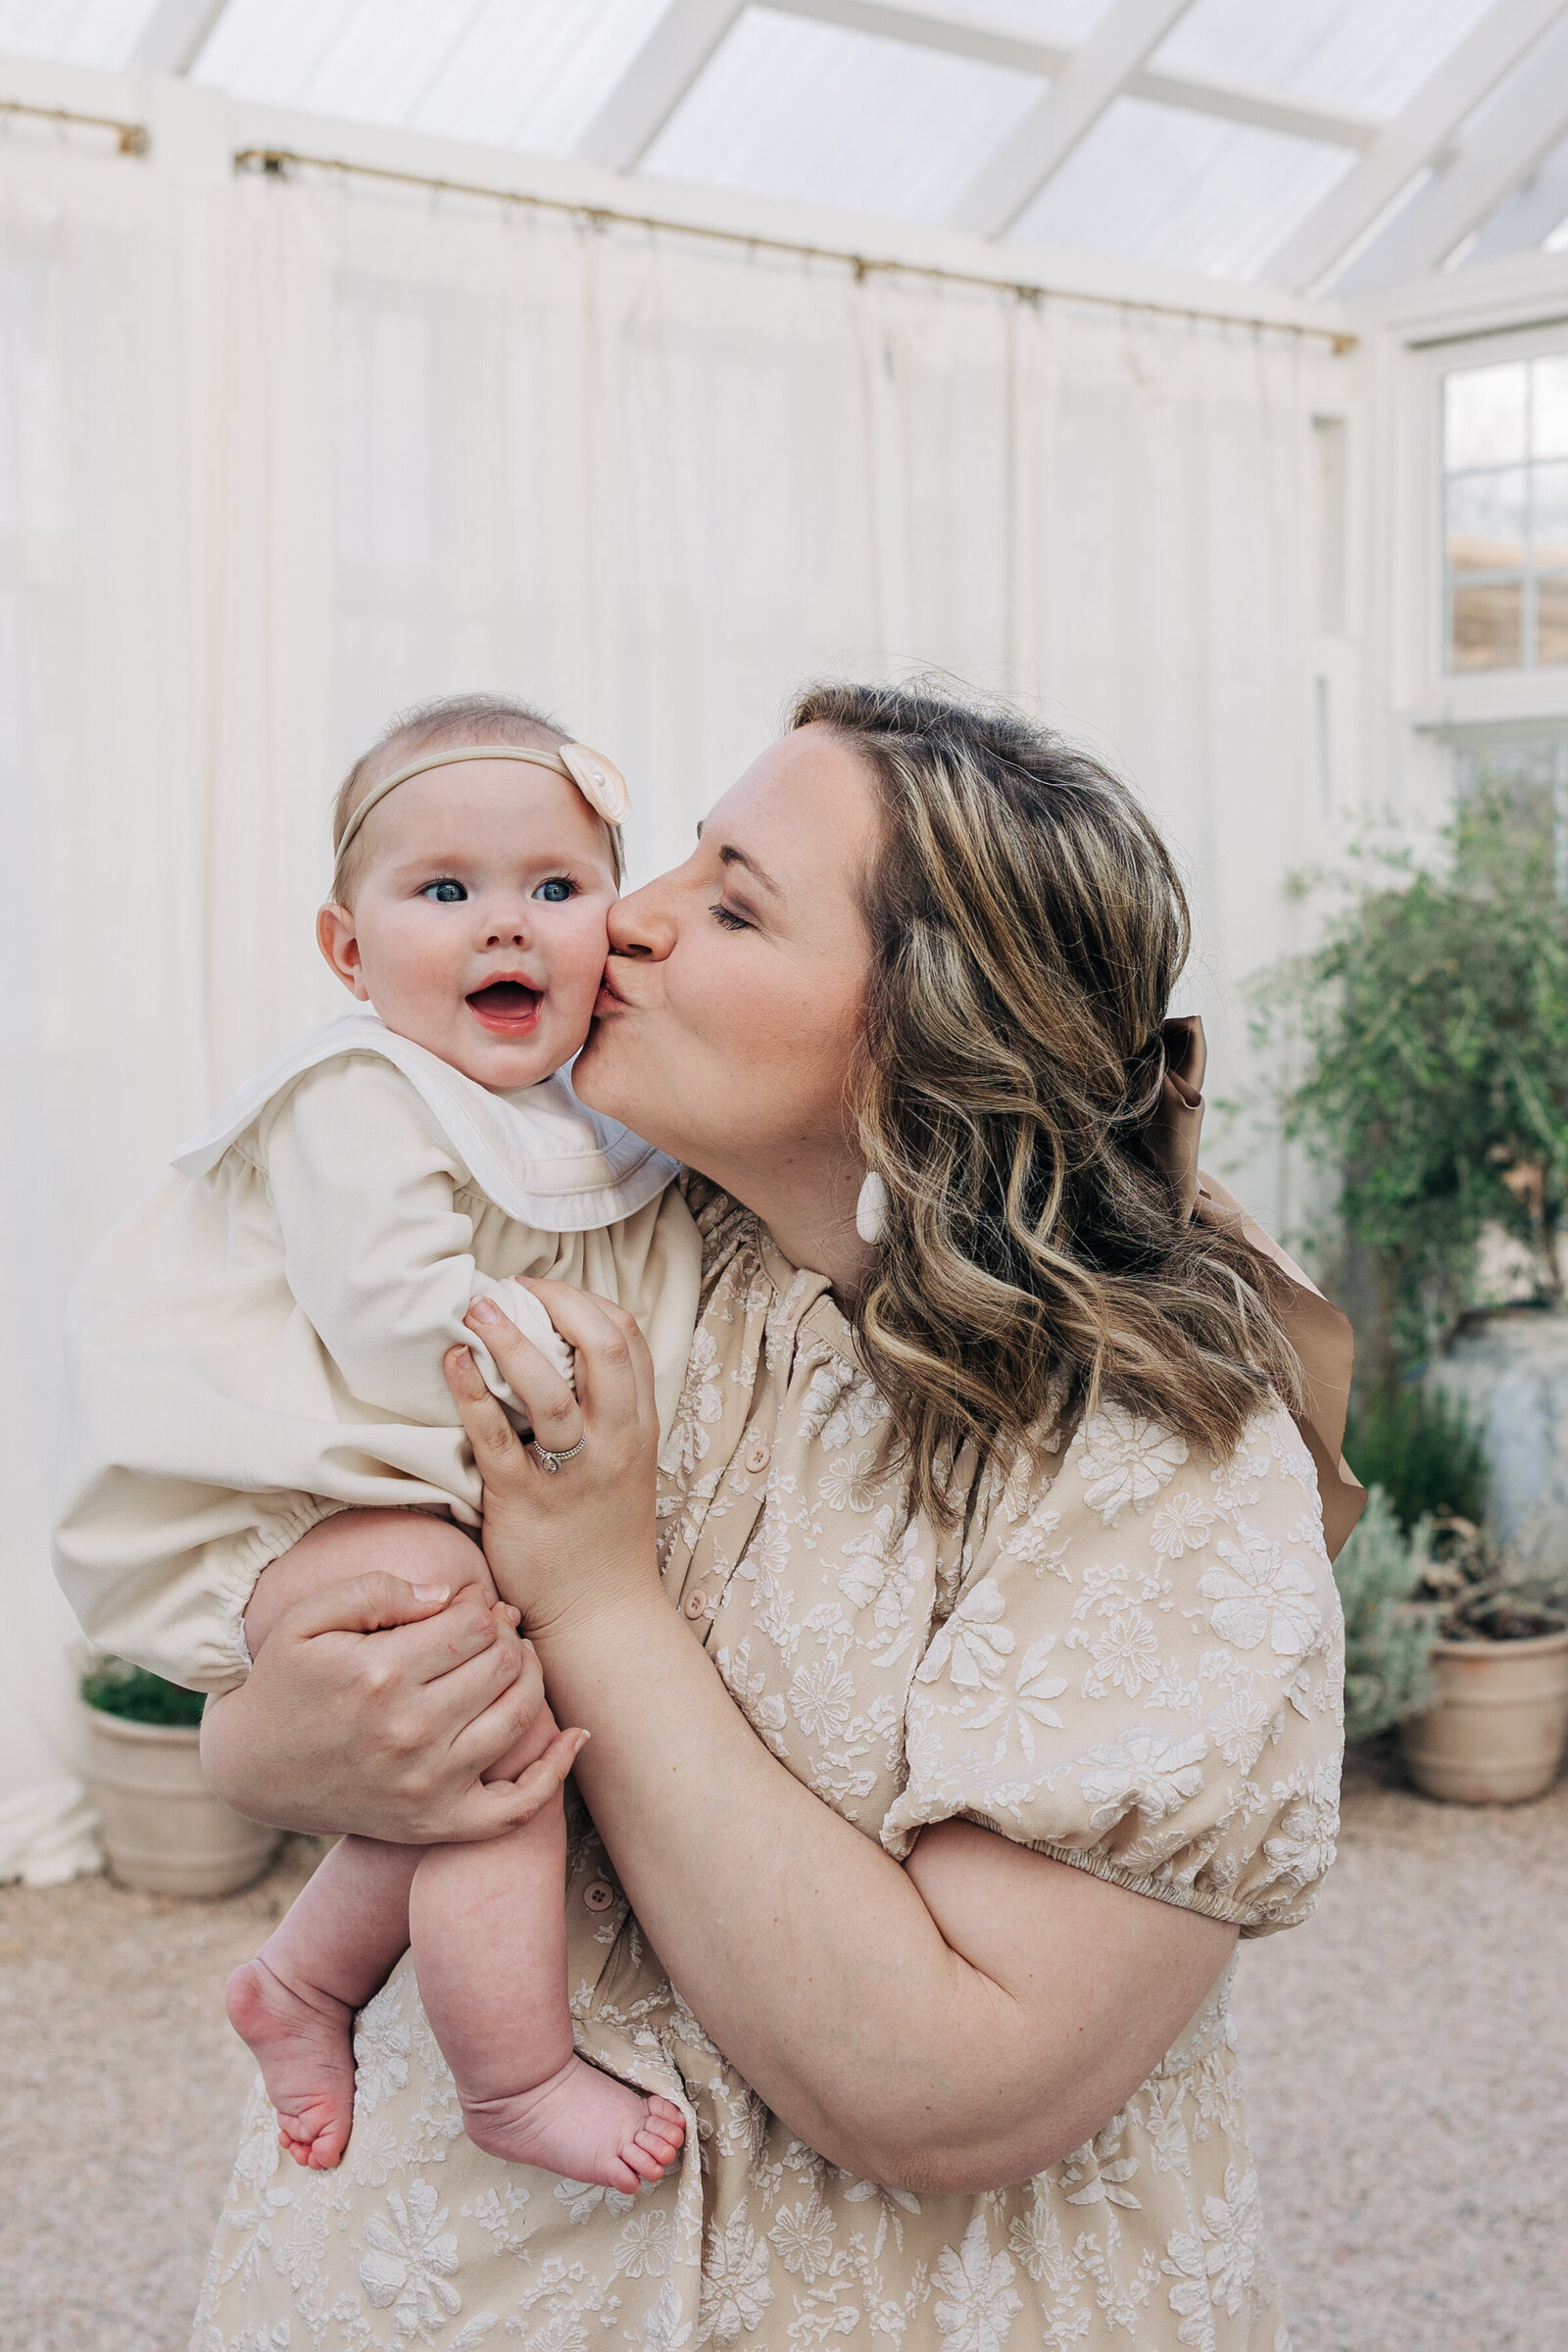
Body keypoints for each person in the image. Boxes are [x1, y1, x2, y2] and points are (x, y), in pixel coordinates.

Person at [189, 680, 1353, 2349]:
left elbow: (956, 2090)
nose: (627, 921)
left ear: (929, 1042)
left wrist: (592, 1606)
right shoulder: (597, 1253)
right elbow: (264, 1715)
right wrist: (286, 1730)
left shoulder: (1157, 1444)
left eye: (731, 902)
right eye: (676, 861)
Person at [54, 694, 700, 2191]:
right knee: (482, 1723)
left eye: (557, 886)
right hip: (282, 1486)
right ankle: (515, 2075)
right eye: (445, 890)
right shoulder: (358, 1094)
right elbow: (399, 1321)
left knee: (469, 1730)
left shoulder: (573, 1115)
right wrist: (586, 1396)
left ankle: (301, 1980)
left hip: (393, 1483)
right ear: (349, 952)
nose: (507, 928)